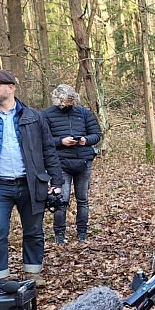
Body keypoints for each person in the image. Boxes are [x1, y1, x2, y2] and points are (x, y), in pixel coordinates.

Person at [0, 70, 63, 286]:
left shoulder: (34, 117)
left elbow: (48, 151)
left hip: (31, 184)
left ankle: (33, 274)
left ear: (11, 87)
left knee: (34, 230)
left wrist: (56, 182)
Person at [42, 84, 101, 245]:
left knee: (83, 199)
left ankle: (82, 233)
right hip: (60, 163)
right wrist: (61, 141)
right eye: (66, 101)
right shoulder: (46, 115)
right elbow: (44, 140)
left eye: (71, 100)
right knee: (61, 199)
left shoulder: (84, 113)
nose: (69, 104)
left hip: (83, 161)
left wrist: (84, 140)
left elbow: (96, 134)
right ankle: (59, 234)